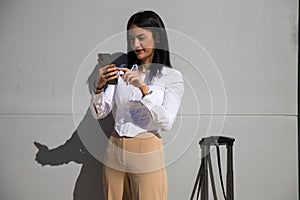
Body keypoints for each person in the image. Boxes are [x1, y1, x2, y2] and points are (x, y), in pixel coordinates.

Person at [90, 10, 184, 200]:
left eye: (141, 38)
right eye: (131, 39)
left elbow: (166, 123)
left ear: (156, 37)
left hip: (146, 148)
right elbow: (100, 112)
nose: (136, 45)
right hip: (114, 148)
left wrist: (143, 89)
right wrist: (99, 86)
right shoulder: (123, 71)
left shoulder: (171, 77)